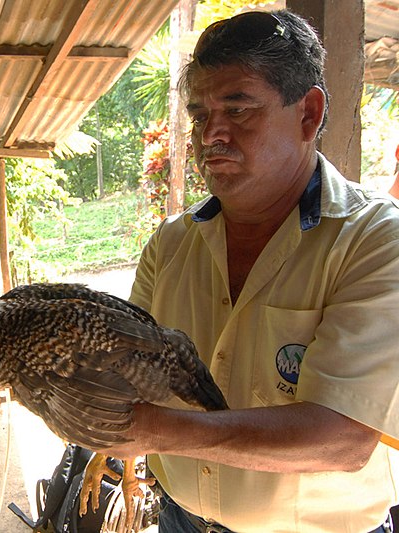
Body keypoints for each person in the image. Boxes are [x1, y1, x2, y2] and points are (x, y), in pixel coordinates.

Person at [102, 9, 399, 533]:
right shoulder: (171, 245)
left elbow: (343, 439)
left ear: (309, 114)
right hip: (180, 519)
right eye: (199, 115)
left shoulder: (375, 242)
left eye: (237, 110)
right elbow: (129, 372)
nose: (210, 135)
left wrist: (154, 431)